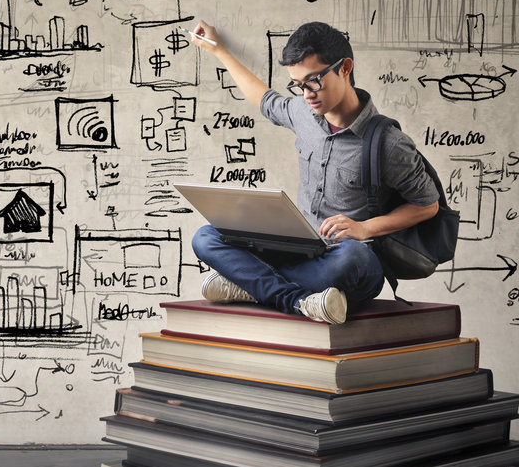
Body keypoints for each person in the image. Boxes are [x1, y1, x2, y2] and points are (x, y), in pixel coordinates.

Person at [187, 20, 440, 324]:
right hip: (295, 250)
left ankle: (251, 284)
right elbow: (265, 100)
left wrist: (365, 229)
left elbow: (427, 204)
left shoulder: (389, 143)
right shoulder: (303, 113)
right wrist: (219, 50)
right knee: (206, 236)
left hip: (343, 260)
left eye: (313, 81)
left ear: (345, 68)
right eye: (297, 84)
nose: (306, 93)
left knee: (353, 258)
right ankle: (299, 301)